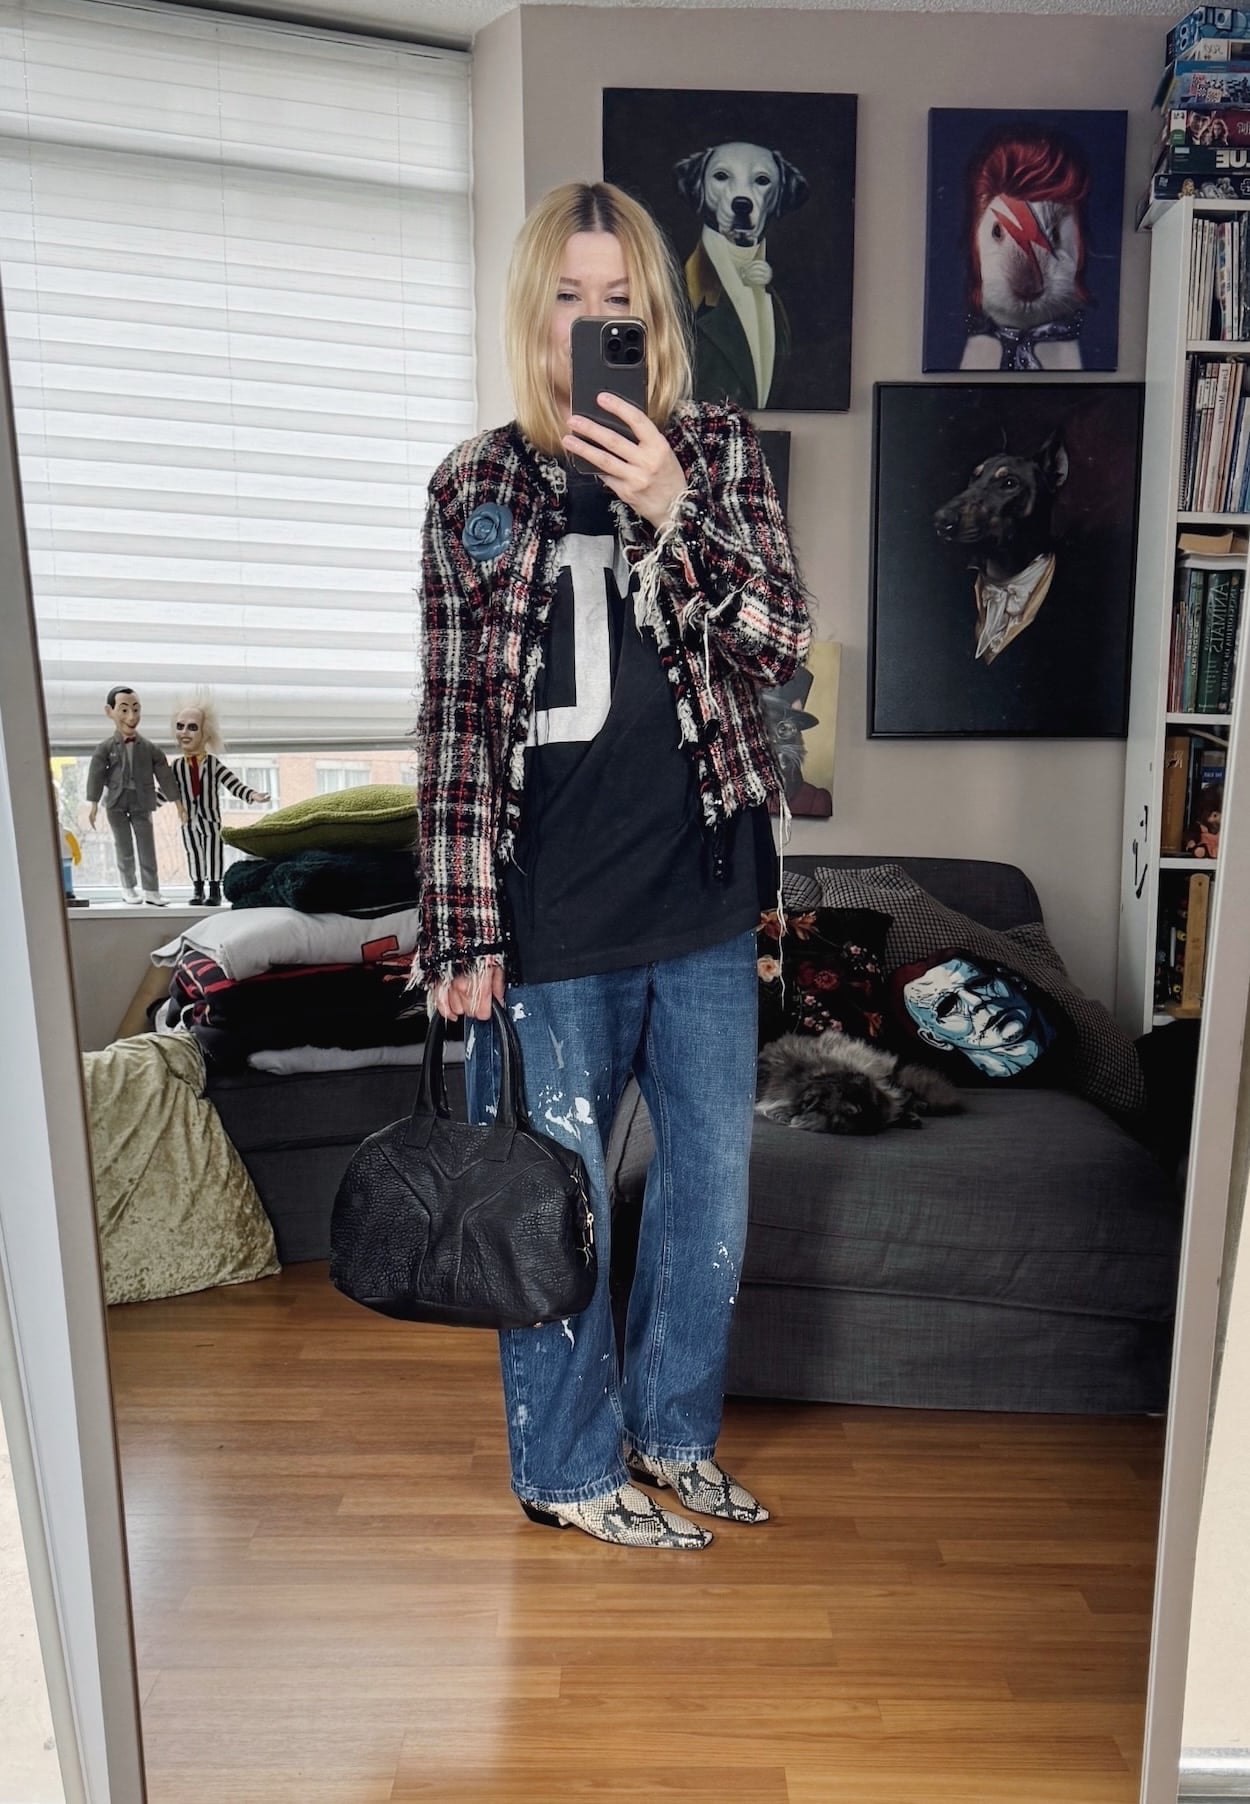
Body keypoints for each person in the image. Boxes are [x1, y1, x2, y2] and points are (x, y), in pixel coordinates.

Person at [412, 180, 812, 1550]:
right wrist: (459, 932)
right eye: (567, 300)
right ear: (533, 316)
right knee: (555, 1210)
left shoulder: (718, 452)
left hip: (702, 899)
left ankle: (672, 1435)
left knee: (709, 1198)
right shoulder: (473, 485)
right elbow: (454, 723)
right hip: (547, 921)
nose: (591, 323)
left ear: (655, 319)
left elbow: (778, 645)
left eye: (619, 302)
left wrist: (675, 511)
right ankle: (567, 1470)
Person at [86, 684, 183, 905]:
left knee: (147, 847)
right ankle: (128, 887)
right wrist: (93, 803)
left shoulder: (148, 748)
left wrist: (177, 802)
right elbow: (96, 774)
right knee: (124, 847)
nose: (131, 716)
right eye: (124, 710)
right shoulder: (105, 748)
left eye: (136, 709)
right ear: (109, 711)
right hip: (116, 802)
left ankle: (152, 890)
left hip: (141, 801)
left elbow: (164, 773)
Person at [169, 694, 270, 905]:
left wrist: (252, 795)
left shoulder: (213, 764)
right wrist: (145, 801)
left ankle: (214, 891)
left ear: (205, 734)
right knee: (193, 853)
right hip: (188, 821)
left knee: (213, 854)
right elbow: (167, 791)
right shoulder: (177, 767)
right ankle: (198, 890)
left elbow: (233, 784)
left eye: (192, 727)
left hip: (210, 820)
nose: (184, 732)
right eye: (180, 726)